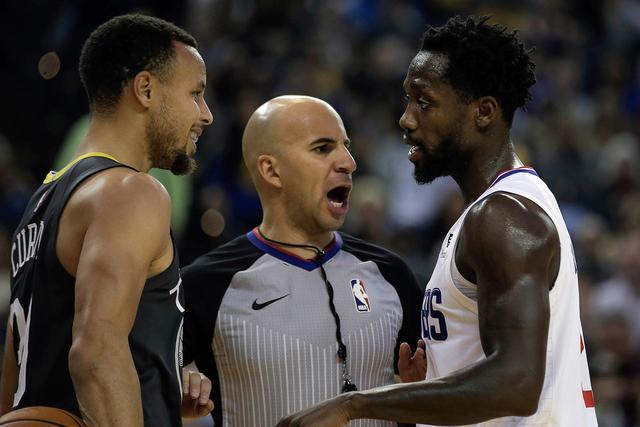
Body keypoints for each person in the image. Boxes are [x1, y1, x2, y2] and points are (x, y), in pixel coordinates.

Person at [277, 15, 598, 427]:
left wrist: (354, 404)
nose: (407, 118)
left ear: (483, 112)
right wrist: (436, 381)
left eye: (424, 102)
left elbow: (517, 383)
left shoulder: (502, 217)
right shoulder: (493, 210)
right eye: (408, 100)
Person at [0, 14, 215, 426]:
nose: (206, 115)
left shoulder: (42, 203)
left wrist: (161, 392)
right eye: (195, 93)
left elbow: (13, 384)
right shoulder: (130, 193)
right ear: (145, 89)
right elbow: (96, 354)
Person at [181, 95, 423, 427]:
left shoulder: (392, 275)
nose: (348, 162)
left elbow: (429, 395)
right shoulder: (205, 285)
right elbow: (150, 390)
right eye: (323, 148)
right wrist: (181, 395)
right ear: (271, 170)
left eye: (346, 146)